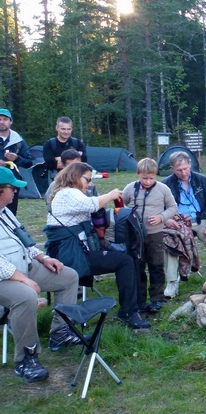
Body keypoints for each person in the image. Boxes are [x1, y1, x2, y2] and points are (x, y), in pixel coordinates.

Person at [45, 162, 149, 329]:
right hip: (71, 256)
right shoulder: (68, 193)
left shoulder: (66, 193)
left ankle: (130, 309)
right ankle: (129, 312)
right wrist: (111, 195)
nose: (90, 183)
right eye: (87, 179)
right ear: (75, 177)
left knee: (123, 259)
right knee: (125, 261)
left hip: (73, 251)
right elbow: (92, 205)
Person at [0, 166, 80, 382]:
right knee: (25, 296)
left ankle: (61, 333)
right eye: (11, 188)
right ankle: (26, 358)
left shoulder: (5, 213)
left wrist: (44, 258)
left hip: (25, 268)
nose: (15, 192)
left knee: (69, 276)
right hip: (4, 278)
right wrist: (25, 280)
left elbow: (25, 242)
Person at [162, 151, 206, 298]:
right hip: (178, 223)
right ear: (172, 169)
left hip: (203, 220)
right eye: (179, 170)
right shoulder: (165, 185)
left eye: (185, 168)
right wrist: (167, 219)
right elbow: (160, 208)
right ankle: (172, 282)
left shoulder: (201, 180)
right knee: (170, 242)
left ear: (190, 165)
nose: (183, 173)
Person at [123, 158, 177, 314]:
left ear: (156, 175)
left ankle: (156, 299)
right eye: (144, 178)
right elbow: (123, 204)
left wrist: (161, 217)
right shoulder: (130, 188)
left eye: (151, 178)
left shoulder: (163, 189)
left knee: (156, 266)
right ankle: (140, 300)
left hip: (155, 234)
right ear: (138, 174)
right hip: (135, 235)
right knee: (137, 267)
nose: (147, 181)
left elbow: (173, 207)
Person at [0, 108, 34, 215]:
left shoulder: (18, 141)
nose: (1, 122)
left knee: (10, 213)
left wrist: (16, 159)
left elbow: (29, 162)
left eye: (5, 119)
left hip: (11, 183)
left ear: (10, 121)